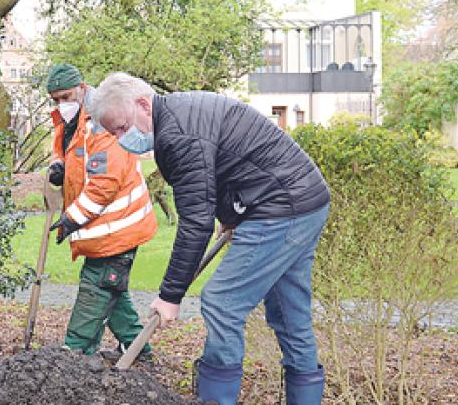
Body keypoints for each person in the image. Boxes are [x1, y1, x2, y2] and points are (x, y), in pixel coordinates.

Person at [90, 72, 330, 405]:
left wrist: (170, 295)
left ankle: (216, 399)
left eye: (121, 127)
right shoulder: (178, 115)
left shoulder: (177, 135)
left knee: (222, 302)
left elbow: (196, 221)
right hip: (304, 200)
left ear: (143, 104)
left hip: (281, 207)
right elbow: (225, 168)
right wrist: (232, 218)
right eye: (114, 132)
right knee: (290, 315)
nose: (121, 138)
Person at [44, 63, 158, 359]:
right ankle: (137, 349)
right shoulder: (71, 121)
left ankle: (75, 351)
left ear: (82, 88)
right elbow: (68, 150)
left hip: (118, 229)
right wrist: (60, 165)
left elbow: (104, 185)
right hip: (107, 230)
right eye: (55, 99)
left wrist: (72, 218)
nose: (61, 104)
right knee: (112, 290)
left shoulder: (103, 120)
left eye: (66, 96)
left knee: (95, 288)